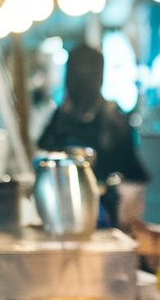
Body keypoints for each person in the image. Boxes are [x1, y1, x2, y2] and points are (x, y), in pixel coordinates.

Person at [38, 44, 148, 225]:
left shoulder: (113, 119)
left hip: (107, 214)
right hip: (63, 214)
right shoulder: (59, 119)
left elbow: (133, 178)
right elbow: (41, 159)